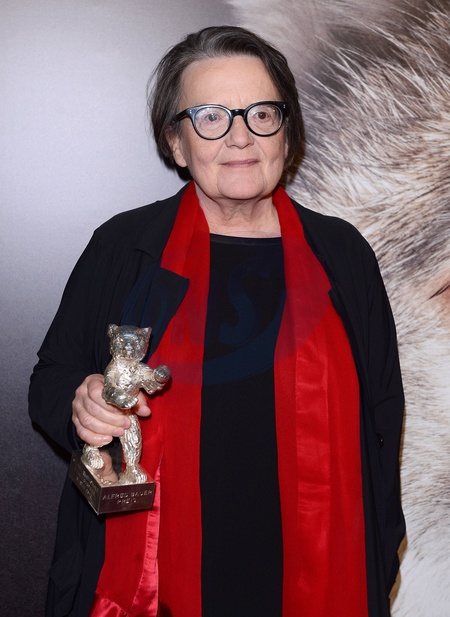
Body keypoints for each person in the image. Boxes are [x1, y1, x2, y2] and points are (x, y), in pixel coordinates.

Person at [29, 25, 405, 617]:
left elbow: (383, 415)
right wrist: (82, 406)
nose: (240, 136)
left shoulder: (342, 256)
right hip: (158, 580)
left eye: (262, 113)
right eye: (210, 117)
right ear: (176, 143)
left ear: (287, 133)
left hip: (317, 574)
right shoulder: (125, 247)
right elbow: (51, 380)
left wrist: (377, 556)